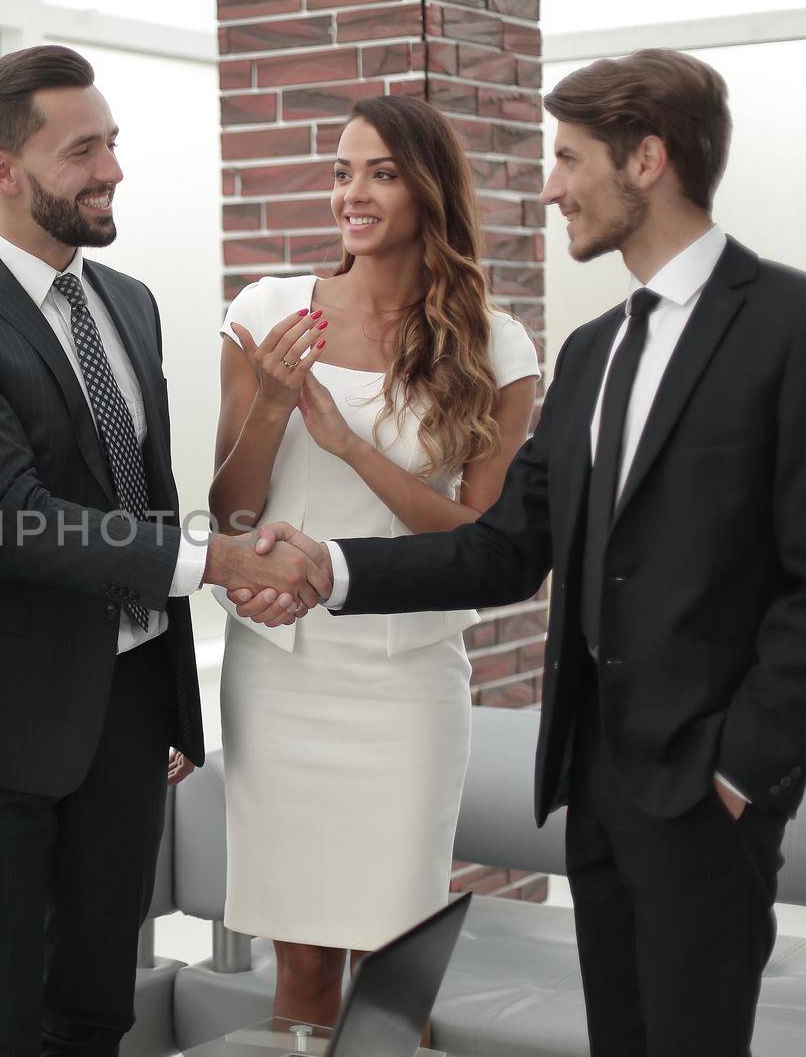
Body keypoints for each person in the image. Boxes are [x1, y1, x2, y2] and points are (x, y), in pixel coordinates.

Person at [240, 49, 806, 1057]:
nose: (547, 186)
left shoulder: (796, 324)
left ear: (646, 159)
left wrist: (741, 769)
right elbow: (505, 550)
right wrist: (329, 567)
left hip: (705, 791)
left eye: (565, 158)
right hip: (594, 789)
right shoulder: (596, 348)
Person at [0, 44, 327, 1057]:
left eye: (114, 142)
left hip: (126, 715)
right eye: (82, 149)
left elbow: (144, 489)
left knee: (99, 1008)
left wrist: (168, 702)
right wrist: (218, 561)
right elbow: (12, 516)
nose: (113, 169)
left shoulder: (128, 302)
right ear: (3, 170)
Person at [209, 94, 538, 1033]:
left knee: (397, 971)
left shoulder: (496, 345)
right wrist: (271, 402)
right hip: (280, 673)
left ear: (429, 190)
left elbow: (482, 543)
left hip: (408, 682)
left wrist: (351, 447)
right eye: (342, 170)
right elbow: (230, 507)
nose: (352, 193)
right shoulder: (269, 312)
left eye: (381, 172)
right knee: (302, 967)